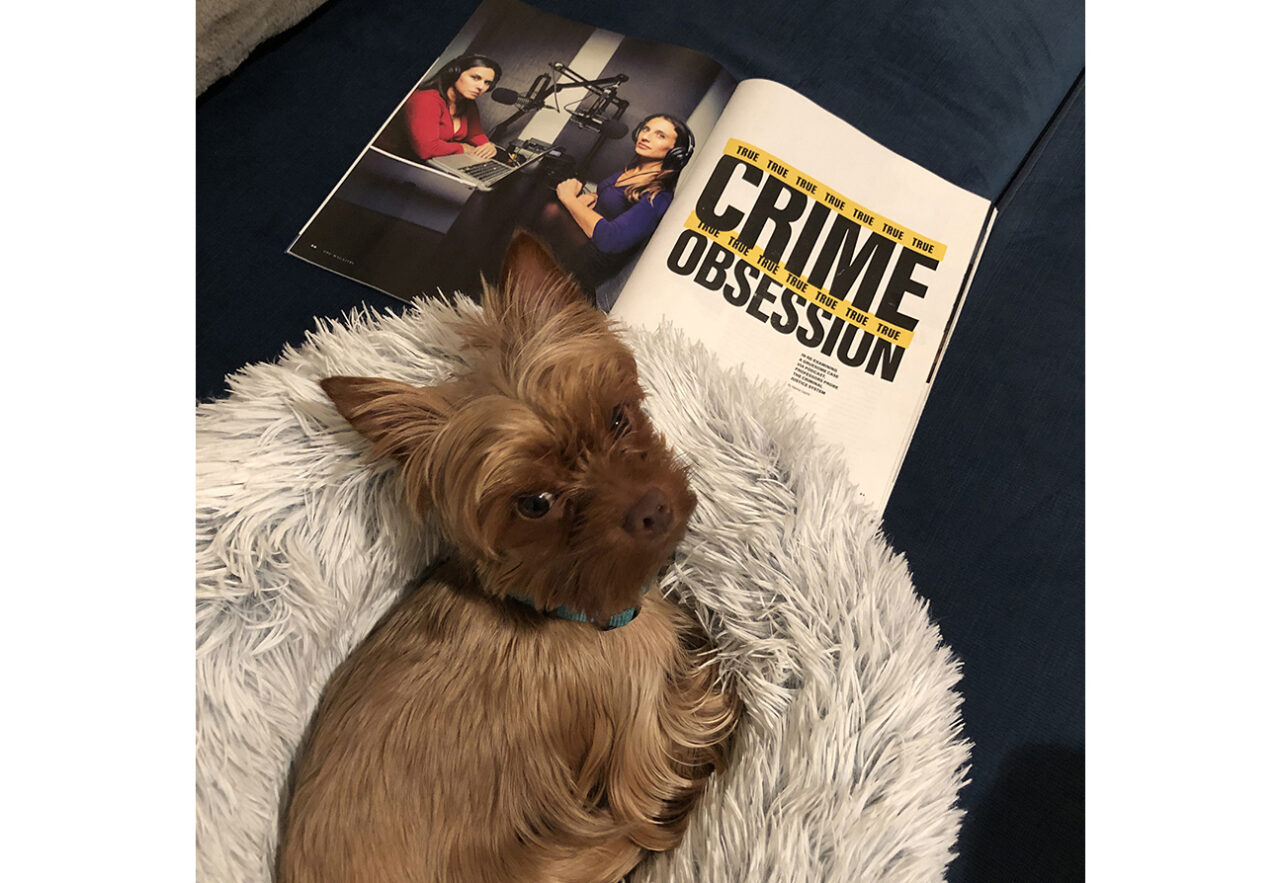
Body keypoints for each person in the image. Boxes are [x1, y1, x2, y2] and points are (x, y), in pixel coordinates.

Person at [539, 114, 695, 295]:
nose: (645, 137)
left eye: (660, 135)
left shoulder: (658, 196)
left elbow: (611, 240)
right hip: (581, 239)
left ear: (676, 153)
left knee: (549, 210)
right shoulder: (631, 170)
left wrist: (570, 199)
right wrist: (588, 200)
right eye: (646, 129)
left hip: (593, 259)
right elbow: (606, 198)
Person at [401, 54, 503, 161]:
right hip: (403, 161)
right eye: (475, 78)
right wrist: (463, 147)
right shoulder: (425, 99)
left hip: (435, 162)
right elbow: (426, 149)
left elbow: (475, 134)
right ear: (455, 73)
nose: (481, 87)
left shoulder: (469, 104)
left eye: (487, 83)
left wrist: (487, 146)